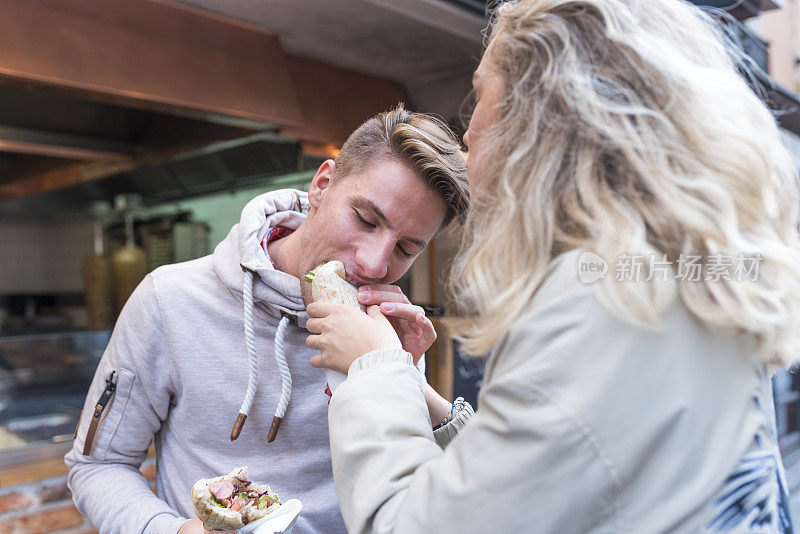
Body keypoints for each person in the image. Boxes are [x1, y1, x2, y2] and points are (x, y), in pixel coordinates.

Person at [306, 1, 800, 532]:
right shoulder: (671, 276)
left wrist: (375, 368)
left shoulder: (601, 313)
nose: (466, 132)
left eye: (483, 95)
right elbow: (549, 480)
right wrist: (420, 395)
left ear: (541, 122)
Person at [65, 104, 469, 534]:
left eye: (406, 250)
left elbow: (415, 492)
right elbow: (98, 465)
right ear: (322, 185)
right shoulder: (169, 299)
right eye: (365, 220)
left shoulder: (388, 329)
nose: (373, 264)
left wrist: (404, 378)